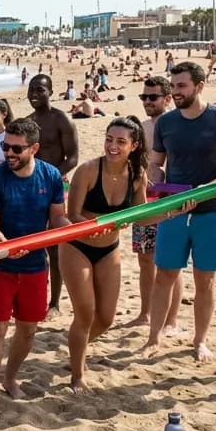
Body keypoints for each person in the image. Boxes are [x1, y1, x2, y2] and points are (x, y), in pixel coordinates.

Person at [141, 61, 216, 362]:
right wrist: (159, 189)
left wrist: (205, 190)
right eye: (173, 87)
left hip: (213, 210)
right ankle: (154, 338)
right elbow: (155, 164)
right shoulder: (166, 123)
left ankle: (200, 341)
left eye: (182, 86)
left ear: (200, 86)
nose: (175, 92)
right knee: (164, 275)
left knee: (205, 280)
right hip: (173, 210)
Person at [0, 118, 67, 414]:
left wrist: (81, 229)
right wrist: (6, 247)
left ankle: (10, 377)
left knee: (28, 329)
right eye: (5, 147)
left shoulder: (50, 176)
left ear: (34, 148)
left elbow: (57, 220)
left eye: (16, 148)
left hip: (35, 265)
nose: (9, 153)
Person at [60, 117, 149, 393]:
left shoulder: (137, 175)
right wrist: (89, 227)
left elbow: (142, 215)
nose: (113, 146)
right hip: (77, 246)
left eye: (121, 142)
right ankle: (77, 376)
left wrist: (178, 209)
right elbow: (71, 214)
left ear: (133, 146)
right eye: (109, 139)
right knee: (85, 313)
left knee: (106, 318)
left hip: (109, 249)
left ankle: (78, 349)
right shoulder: (87, 171)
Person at [126, 77, 182, 332]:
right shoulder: (143, 129)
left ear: (167, 98)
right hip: (144, 202)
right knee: (145, 260)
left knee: (170, 263)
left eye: (153, 97)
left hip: (171, 201)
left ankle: (170, 319)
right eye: (144, 97)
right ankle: (145, 313)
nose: (147, 102)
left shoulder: (179, 126)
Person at [24, 74, 79, 317]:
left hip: (55, 187)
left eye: (40, 90)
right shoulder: (28, 123)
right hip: (30, 189)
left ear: (50, 92)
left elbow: (73, 157)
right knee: (30, 245)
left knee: (54, 248)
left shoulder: (61, 119)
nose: (34, 94)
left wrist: (51, 176)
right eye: (31, 90)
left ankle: (55, 302)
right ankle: (34, 295)